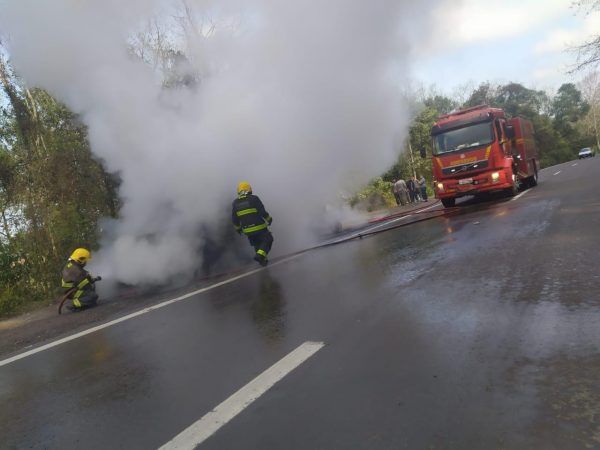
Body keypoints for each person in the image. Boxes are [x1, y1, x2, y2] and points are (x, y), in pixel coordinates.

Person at [232, 181, 274, 267]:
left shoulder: (235, 203)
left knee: (257, 243)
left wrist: (238, 229)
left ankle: (263, 260)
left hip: (247, 230)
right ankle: (260, 255)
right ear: (248, 189)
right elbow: (262, 212)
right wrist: (269, 219)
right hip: (259, 227)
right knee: (268, 239)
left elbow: (234, 219)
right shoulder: (254, 199)